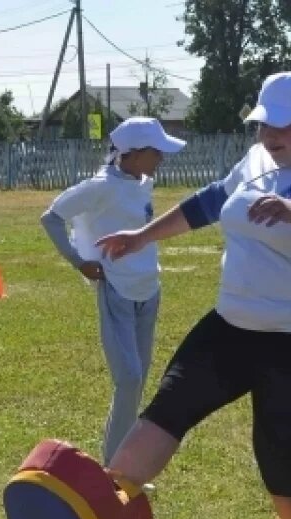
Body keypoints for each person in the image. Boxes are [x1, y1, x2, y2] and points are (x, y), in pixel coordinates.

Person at [95, 71, 291, 519]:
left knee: (279, 459)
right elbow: (209, 202)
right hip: (233, 324)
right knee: (169, 406)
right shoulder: (258, 160)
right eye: (264, 124)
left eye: (283, 127)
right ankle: (103, 512)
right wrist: (140, 237)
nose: (270, 136)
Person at [39, 117, 186, 466]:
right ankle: (114, 467)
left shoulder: (144, 181)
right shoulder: (99, 186)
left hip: (149, 289)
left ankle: (121, 466)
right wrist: (79, 261)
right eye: (156, 151)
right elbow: (51, 217)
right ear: (132, 154)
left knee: (137, 383)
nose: (162, 158)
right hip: (116, 290)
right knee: (129, 379)